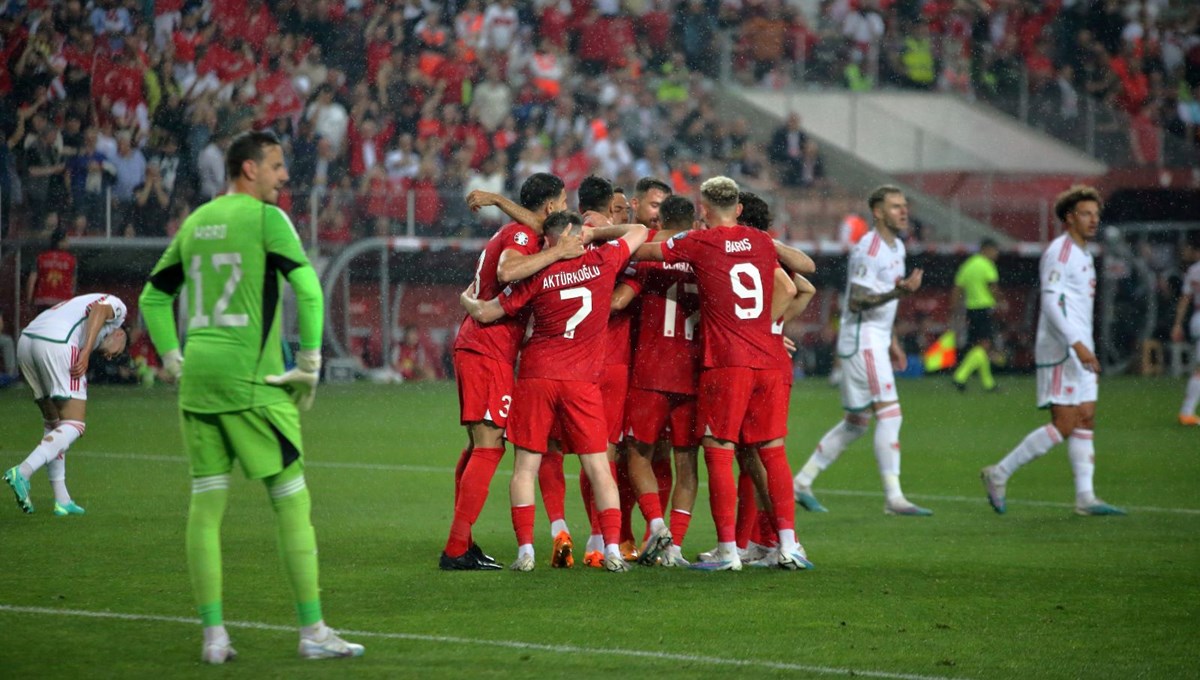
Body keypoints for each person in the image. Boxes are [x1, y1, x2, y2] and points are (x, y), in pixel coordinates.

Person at [139, 131, 364, 664]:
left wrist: (172, 357)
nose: (284, 175)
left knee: (206, 503)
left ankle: (214, 637)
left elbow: (153, 295)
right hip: (253, 382)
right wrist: (309, 363)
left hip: (199, 380)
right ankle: (312, 631)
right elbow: (309, 289)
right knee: (292, 501)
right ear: (248, 170)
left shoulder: (196, 222)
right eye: (276, 165)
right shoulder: (267, 220)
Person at [635, 176, 815, 571]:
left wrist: (607, 242)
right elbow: (806, 267)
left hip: (727, 363)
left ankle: (728, 551)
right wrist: (763, 244)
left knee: (719, 451)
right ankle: (789, 545)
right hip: (767, 359)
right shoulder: (762, 241)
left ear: (703, 210)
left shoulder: (700, 241)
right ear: (738, 208)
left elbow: (644, 251)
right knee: (772, 451)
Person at [460, 211, 649, 572]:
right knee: (599, 468)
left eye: (547, 240)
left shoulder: (538, 272)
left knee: (525, 468)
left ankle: (526, 553)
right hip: (582, 381)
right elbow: (639, 230)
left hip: (538, 377)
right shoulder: (604, 259)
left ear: (557, 236)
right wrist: (594, 235)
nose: (545, 246)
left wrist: (467, 301)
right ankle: (610, 551)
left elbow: (485, 313)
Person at [439, 177, 578, 571]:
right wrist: (556, 255)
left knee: (478, 445)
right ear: (551, 207)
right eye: (564, 201)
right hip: (488, 348)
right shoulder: (520, 236)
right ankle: (454, 549)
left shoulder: (515, 229)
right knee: (489, 445)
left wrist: (498, 200)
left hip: (482, 346)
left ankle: (463, 542)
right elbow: (508, 270)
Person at [981, 185, 1126, 517]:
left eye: (1096, 214)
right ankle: (999, 473)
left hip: (1080, 346)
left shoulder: (1085, 254)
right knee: (1064, 423)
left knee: (1086, 417)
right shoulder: (1059, 253)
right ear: (1070, 218)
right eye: (1086, 214)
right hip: (1062, 348)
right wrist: (1076, 345)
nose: (1094, 220)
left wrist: (1084, 345)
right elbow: (1050, 302)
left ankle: (1085, 497)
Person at [792, 185, 932, 517]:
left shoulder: (896, 246)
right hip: (863, 339)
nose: (903, 211)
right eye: (895, 206)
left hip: (877, 339)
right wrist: (897, 292)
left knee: (856, 422)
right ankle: (894, 497)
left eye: (904, 206)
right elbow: (856, 300)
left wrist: (893, 341)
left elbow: (884, 302)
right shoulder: (869, 249)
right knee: (891, 413)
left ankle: (802, 482)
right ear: (878, 212)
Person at [4, 294, 128, 516]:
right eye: (116, 352)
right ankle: (23, 471)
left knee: (54, 423)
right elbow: (99, 310)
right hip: (57, 342)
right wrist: (87, 351)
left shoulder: (76, 307)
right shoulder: (119, 310)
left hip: (28, 341)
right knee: (74, 424)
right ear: (119, 335)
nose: (110, 357)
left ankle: (62, 500)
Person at [952, 238, 1001, 391]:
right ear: (986, 249)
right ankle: (960, 376)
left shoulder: (968, 265)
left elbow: (957, 289)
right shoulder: (987, 265)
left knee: (979, 346)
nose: (996, 255)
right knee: (984, 346)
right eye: (994, 251)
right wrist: (1001, 301)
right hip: (984, 308)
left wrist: (954, 309)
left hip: (971, 310)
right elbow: (992, 286)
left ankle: (989, 384)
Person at [1171, 237, 1200, 427]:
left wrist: (1178, 324)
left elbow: (1185, 299)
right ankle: (1186, 411)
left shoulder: (1193, 270)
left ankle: (1187, 411)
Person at [26, 228, 77, 315]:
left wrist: (29, 301)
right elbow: (73, 284)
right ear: (60, 242)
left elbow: (31, 280)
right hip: (63, 302)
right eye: (66, 240)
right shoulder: (71, 260)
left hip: (43, 301)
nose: (68, 243)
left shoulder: (41, 258)